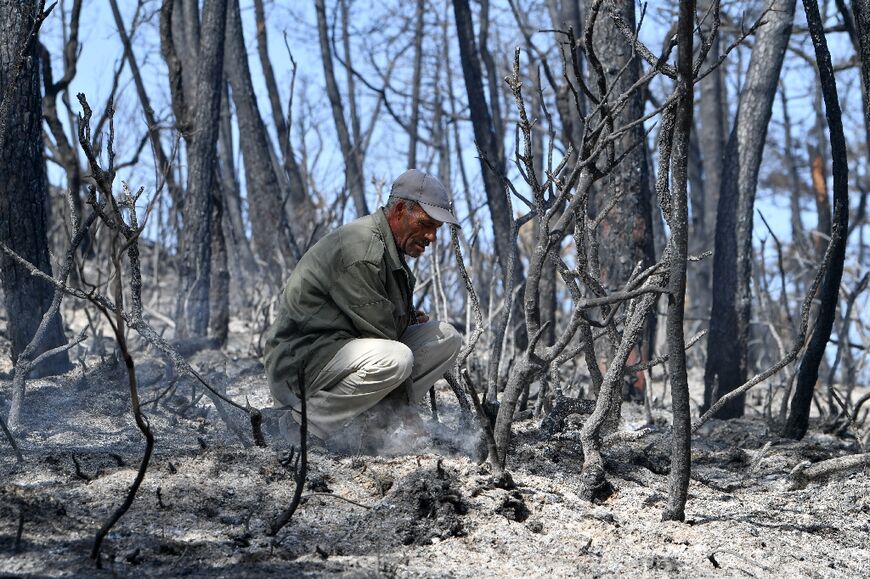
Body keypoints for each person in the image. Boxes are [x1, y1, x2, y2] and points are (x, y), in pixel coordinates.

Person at [264, 169, 462, 449]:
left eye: (436, 229)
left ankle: (374, 424)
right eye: (425, 224)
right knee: (396, 358)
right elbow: (382, 337)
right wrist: (409, 416)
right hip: (300, 363)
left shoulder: (388, 246)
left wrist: (405, 317)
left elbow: (377, 320)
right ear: (399, 211)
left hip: (337, 353)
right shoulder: (362, 250)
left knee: (446, 337)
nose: (431, 236)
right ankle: (297, 425)